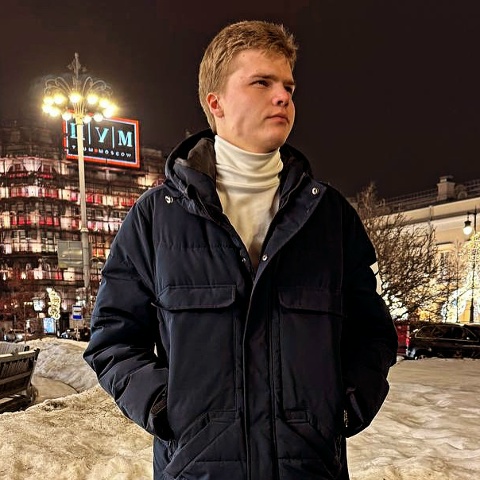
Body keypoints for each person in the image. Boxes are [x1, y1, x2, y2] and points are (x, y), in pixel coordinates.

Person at [84, 20, 398, 480]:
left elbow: (372, 333)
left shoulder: (328, 217)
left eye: (288, 86)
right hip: (198, 469)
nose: (283, 96)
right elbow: (112, 339)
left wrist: (348, 404)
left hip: (309, 469)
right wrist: (163, 406)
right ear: (216, 103)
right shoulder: (157, 218)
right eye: (262, 83)